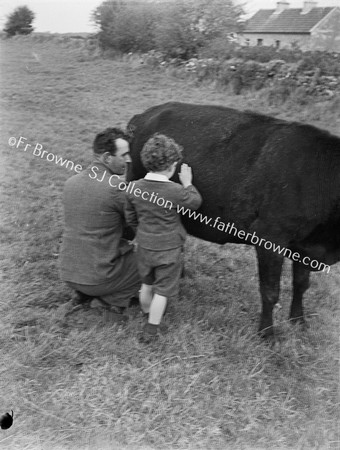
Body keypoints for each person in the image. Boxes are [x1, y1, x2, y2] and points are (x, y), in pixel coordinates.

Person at [125, 133, 202, 341]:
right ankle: (152, 329)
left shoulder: (133, 188)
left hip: (144, 246)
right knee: (163, 291)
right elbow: (194, 202)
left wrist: (141, 232)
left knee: (147, 284)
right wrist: (187, 183)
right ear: (171, 167)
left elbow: (130, 216)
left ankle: (147, 313)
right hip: (168, 249)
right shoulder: (175, 191)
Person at [59, 127, 141, 322]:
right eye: (124, 155)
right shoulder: (117, 188)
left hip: (68, 273)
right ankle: (112, 301)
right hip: (98, 276)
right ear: (106, 157)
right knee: (151, 258)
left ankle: (83, 294)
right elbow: (139, 226)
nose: (129, 160)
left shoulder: (70, 182)